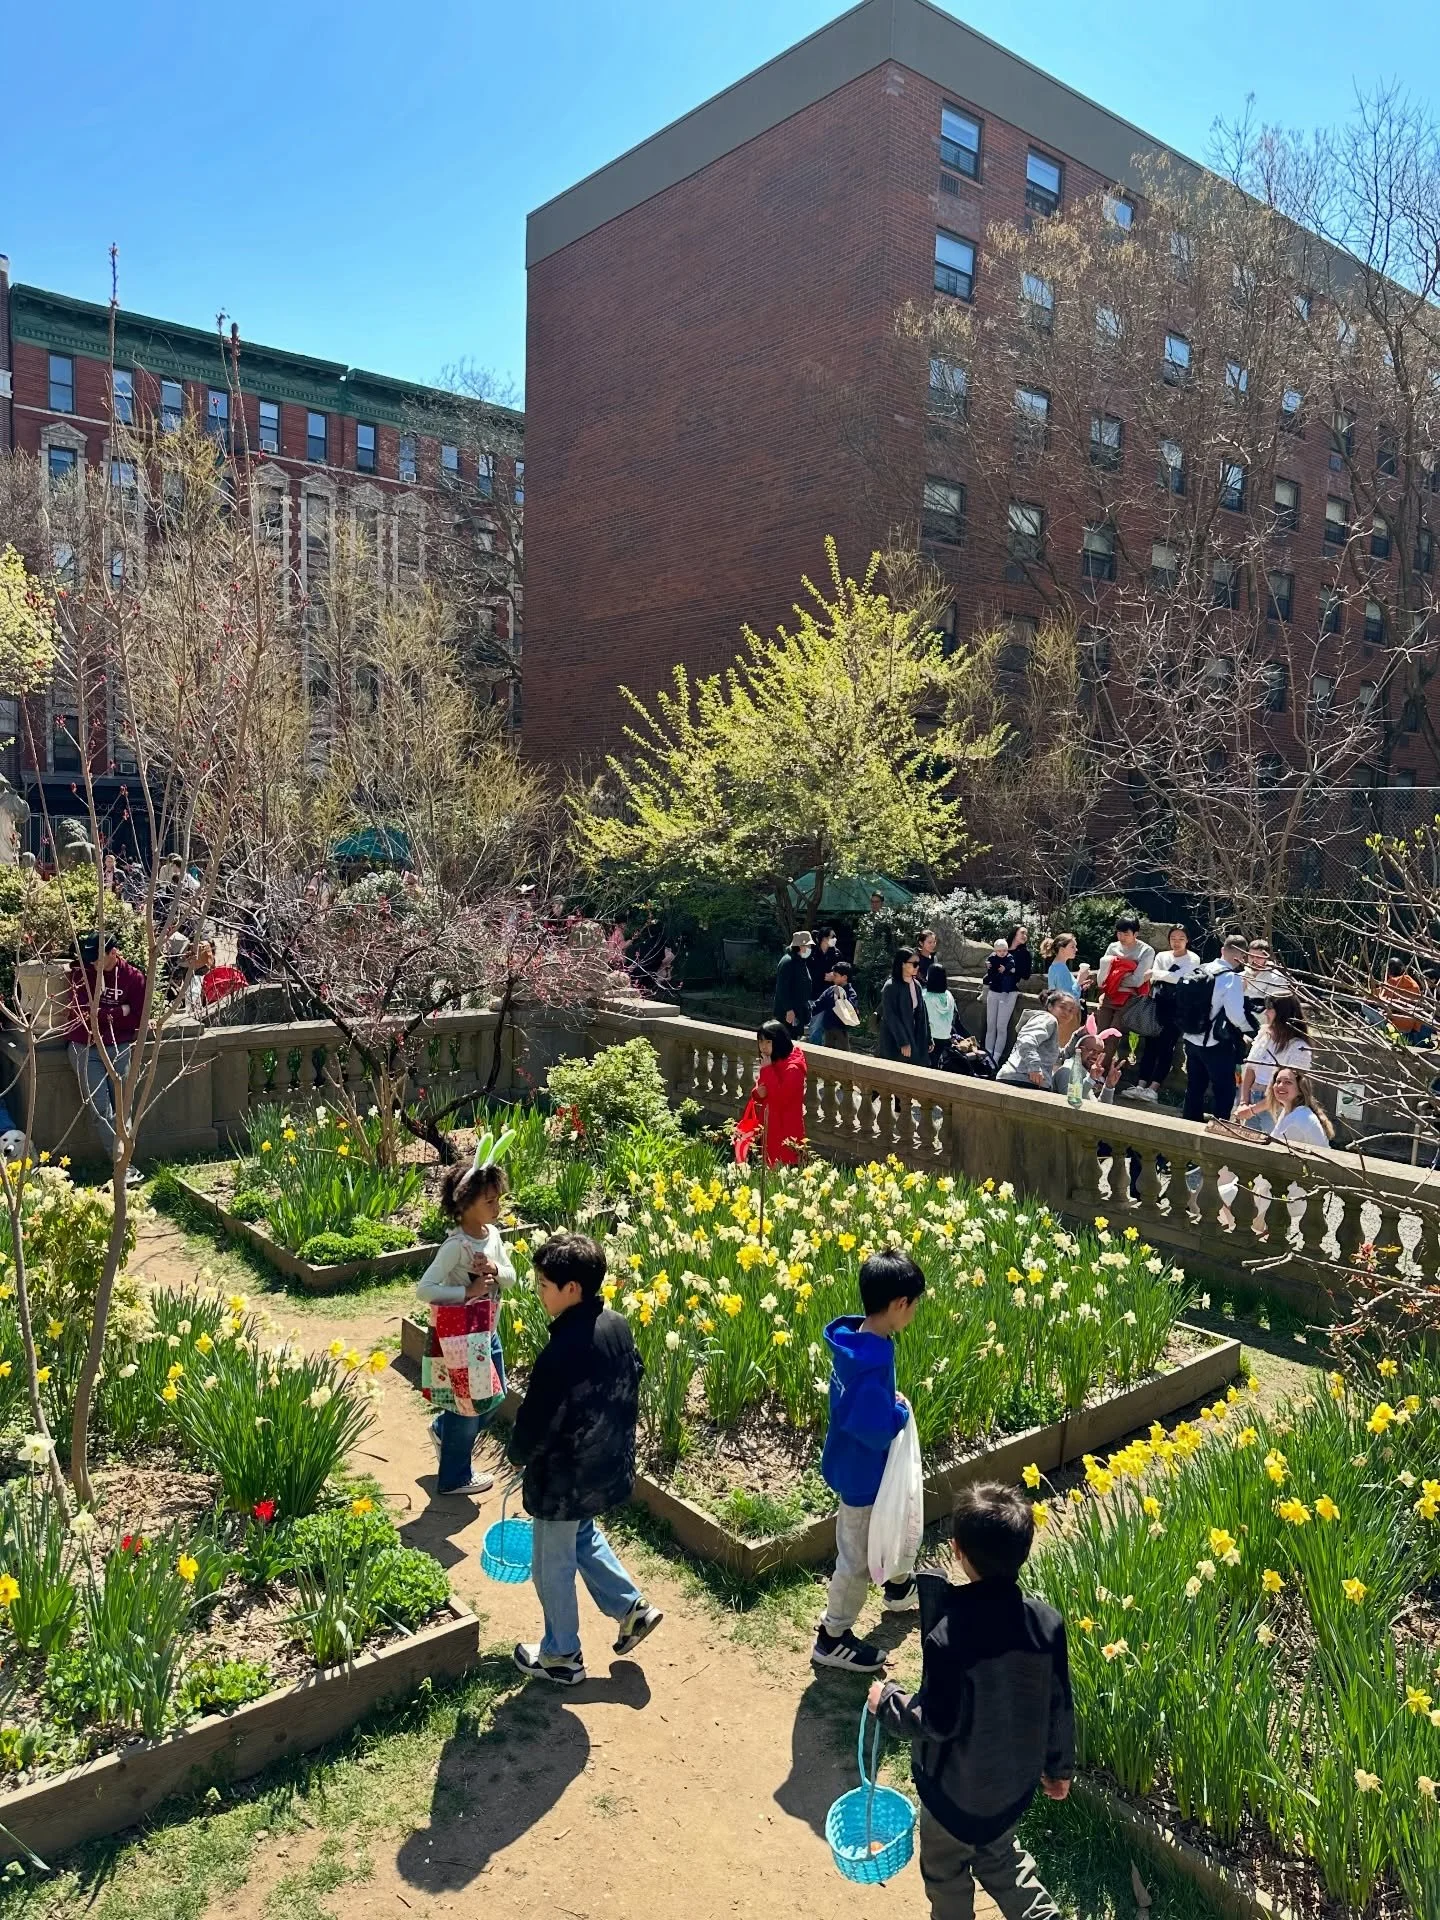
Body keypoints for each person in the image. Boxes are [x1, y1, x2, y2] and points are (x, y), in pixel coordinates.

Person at [870, 1482, 1073, 1920]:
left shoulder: (950, 1636)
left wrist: (886, 1700)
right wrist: (1058, 1768)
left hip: (952, 1797)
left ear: (958, 1551)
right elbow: (1059, 1704)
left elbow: (936, 1720)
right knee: (1001, 1859)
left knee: (947, 1876)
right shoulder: (1046, 1624)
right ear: (1025, 1549)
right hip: (1009, 1788)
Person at [508, 1233, 663, 1685]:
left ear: (571, 1288)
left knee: (550, 1564)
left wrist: (518, 1454)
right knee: (582, 1539)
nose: (539, 1292)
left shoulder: (559, 1352)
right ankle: (631, 1608)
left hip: (563, 1480)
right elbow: (635, 1376)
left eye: (544, 1285)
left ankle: (561, 1656)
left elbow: (538, 1422)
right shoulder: (616, 1324)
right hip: (605, 1465)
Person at [812, 1250, 925, 1673]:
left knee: (889, 1527)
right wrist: (895, 1414)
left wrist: (885, 1406)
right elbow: (872, 1427)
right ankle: (833, 1636)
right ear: (899, 1304)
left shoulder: (856, 1341)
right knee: (856, 1559)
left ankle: (897, 1587)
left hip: (853, 1462)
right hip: (862, 1476)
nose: (914, 1313)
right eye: (914, 1306)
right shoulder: (871, 1362)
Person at [417, 1158, 517, 1497]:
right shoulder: (455, 1247)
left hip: (488, 1333)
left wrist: (494, 1268)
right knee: (468, 1407)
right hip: (463, 1340)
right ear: (464, 1203)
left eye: (497, 1198)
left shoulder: (493, 1237)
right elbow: (425, 1289)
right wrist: (468, 1292)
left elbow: (512, 1277)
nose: (497, 1206)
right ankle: (455, 1477)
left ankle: (444, 1430)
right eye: (489, 1201)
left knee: (491, 1399)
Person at [66, 931, 146, 1182]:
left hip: (119, 1047)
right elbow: (81, 1012)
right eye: (89, 958)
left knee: (123, 1109)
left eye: (97, 958)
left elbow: (137, 1018)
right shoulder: (82, 973)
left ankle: (125, 1165)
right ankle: (121, 1163)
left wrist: (103, 1013)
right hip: (84, 1046)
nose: (92, 963)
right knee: (101, 1108)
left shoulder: (134, 978)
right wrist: (118, 1011)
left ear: (114, 953)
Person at [1181, 931, 1254, 1123]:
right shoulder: (1232, 978)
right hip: (1215, 1042)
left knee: (1195, 1085)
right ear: (1242, 956)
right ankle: (1220, 1129)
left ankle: (1188, 1124)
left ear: (1222, 950)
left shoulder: (1203, 969)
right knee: (1224, 1088)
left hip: (1191, 1037)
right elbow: (1235, 1014)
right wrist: (1249, 1030)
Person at [1125, 925, 1200, 1104]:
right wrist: (1162, 975)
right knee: (1150, 1045)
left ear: (1187, 940)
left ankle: (1154, 1088)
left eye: (1181, 938)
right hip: (1158, 1004)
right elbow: (1153, 979)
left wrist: (1159, 974)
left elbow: (1183, 979)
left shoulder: (1193, 958)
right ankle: (1141, 1084)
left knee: (1167, 1048)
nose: (1176, 942)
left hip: (1178, 1009)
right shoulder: (1162, 956)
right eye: (1173, 938)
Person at [735, 1020, 807, 1166]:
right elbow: (761, 1088)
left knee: (785, 1167)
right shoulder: (770, 1062)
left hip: (786, 1127)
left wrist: (767, 1070)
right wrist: (757, 1093)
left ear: (779, 1042)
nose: (763, 1047)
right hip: (770, 1125)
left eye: (768, 1042)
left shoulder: (793, 1068)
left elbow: (782, 1099)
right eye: (760, 1042)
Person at [1239, 995, 1313, 1116]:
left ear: (1282, 1013)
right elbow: (1250, 1067)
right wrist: (1244, 1102)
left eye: (1270, 1009)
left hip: (1277, 1106)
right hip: (1252, 1100)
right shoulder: (1264, 1035)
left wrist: (1253, 1110)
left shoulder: (1299, 1048)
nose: (1265, 1012)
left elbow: (1290, 1088)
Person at [996, 990, 1084, 1091]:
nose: (1066, 1012)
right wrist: (1034, 1068)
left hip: (1023, 1081)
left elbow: (1060, 1056)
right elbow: (1026, 1041)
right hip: (1022, 1081)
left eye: (1071, 1010)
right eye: (1062, 1007)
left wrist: (1077, 1036)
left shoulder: (1050, 1024)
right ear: (1050, 1007)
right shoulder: (1048, 1019)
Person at [1096, 914, 1154, 1034]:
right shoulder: (1113, 947)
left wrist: (1114, 979)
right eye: (1119, 933)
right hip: (1110, 994)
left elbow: (1137, 981)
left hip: (1131, 997)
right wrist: (1120, 978)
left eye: (1126, 934)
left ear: (1135, 934)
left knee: (1113, 1032)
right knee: (1100, 1031)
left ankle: (1107, 1053)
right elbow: (1103, 975)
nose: (1121, 937)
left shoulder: (1146, 951)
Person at [879, 949, 931, 1064]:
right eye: (914, 964)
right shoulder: (890, 987)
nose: (917, 967)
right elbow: (890, 1016)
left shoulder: (916, 984)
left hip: (913, 1035)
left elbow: (922, 1014)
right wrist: (903, 1041)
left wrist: (928, 1038)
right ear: (902, 964)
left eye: (919, 963)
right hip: (894, 1039)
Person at [1053, 1031, 1121, 1104]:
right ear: (1078, 1050)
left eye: (1099, 1053)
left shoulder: (1085, 1072)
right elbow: (1073, 1103)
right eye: (1092, 1051)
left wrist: (1108, 1086)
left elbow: (1097, 1107)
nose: (1095, 1056)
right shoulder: (1068, 1070)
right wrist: (1090, 1080)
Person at [981, 939, 1019, 1065]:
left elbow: (1012, 967)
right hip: (994, 990)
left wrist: (1006, 969)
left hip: (1007, 992)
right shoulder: (992, 957)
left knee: (1001, 1027)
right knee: (990, 1025)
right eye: (999, 951)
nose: (1002, 953)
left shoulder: (1010, 958)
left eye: (1004, 950)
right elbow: (989, 968)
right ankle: (987, 1055)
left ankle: (995, 1058)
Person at [809, 957, 860, 1050]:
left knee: (842, 1058)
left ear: (844, 977)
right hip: (828, 1031)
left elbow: (851, 1011)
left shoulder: (851, 993)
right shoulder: (830, 990)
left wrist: (840, 998)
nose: (833, 978)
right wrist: (804, 1011)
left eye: (836, 975)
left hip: (841, 1031)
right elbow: (818, 1005)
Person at [773, 930, 814, 1033]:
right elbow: (782, 988)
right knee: (786, 1039)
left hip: (798, 1009)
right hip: (788, 1012)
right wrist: (789, 1009)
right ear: (801, 946)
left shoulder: (799, 960)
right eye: (808, 946)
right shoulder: (788, 962)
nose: (810, 949)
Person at [922, 964, 960, 1067]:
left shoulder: (924, 996)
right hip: (944, 1035)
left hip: (929, 1036)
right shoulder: (949, 995)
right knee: (935, 1061)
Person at [1040, 932, 1089, 1001]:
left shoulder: (1056, 967)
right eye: (1072, 947)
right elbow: (1068, 998)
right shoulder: (1060, 969)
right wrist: (1079, 981)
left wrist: (1081, 986)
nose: (1076, 949)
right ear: (1062, 949)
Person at [807, 928, 839, 999]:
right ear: (824, 939)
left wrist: (835, 977)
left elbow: (844, 973)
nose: (835, 939)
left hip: (830, 993)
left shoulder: (837, 954)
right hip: (813, 993)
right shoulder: (812, 954)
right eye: (832, 937)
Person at [1007, 925, 1034, 989]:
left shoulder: (1024, 953)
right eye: (1022, 933)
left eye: (1026, 934)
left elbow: (1026, 975)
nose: (1025, 936)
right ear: (1014, 933)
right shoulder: (1002, 948)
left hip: (1011, 988)